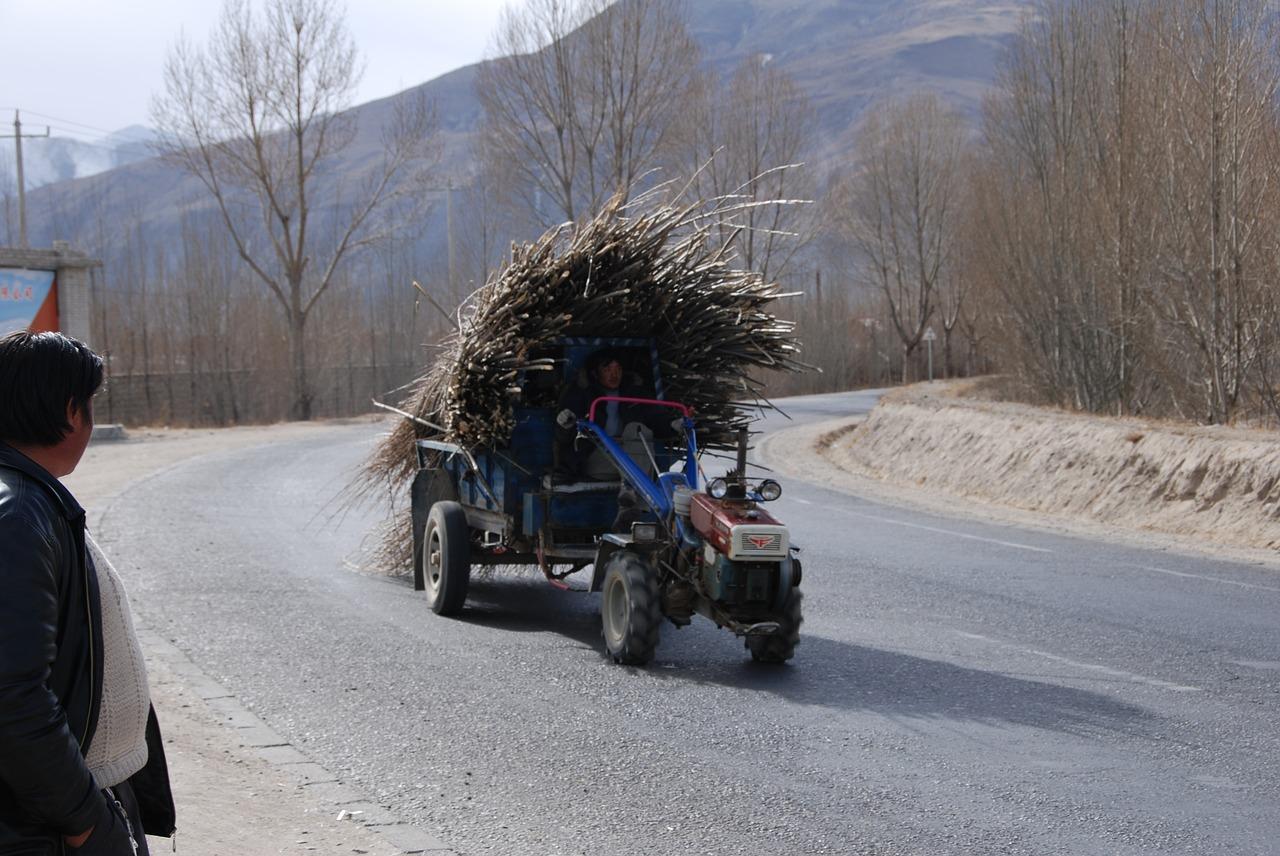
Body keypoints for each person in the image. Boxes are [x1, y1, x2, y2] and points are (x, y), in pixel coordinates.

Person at [0, 331, 174, 855]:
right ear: (70, 410)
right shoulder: (18, 516)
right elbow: (11, 694)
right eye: (90, 404)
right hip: (46, 826)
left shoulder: (28, 499)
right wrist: (86, 823)